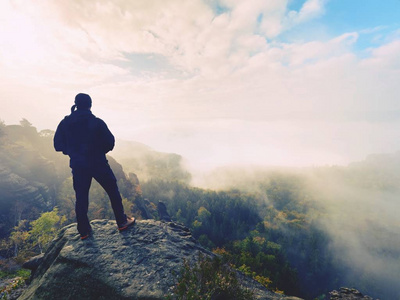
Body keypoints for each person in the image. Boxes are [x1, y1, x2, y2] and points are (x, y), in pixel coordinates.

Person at [54, 93, 135, 239]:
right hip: (98, 163)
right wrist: (98, 152)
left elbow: (57, 145)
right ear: (90, 105)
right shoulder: (97, 122)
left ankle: (84, 231)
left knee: (81, 197)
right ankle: (122, 222)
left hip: (78, 165)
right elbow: (110, 142)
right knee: (112, 190)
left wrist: (71, 151)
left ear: (76, 104)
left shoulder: (66, 122)